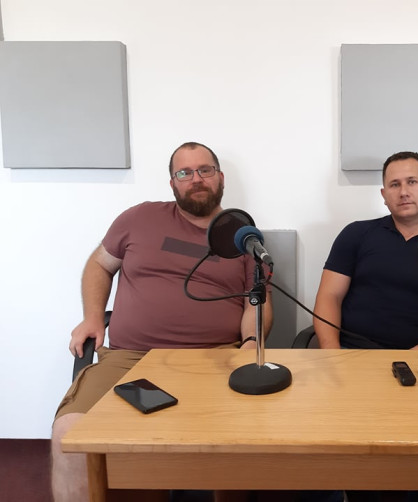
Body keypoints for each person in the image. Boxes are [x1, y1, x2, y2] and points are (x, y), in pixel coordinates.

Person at [50, 142, 272, 502]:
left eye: (205, 170)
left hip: (215, 359)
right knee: (69, 431)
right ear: (172, 183)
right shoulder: (138, 218)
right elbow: (99, 264)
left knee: (235, 434)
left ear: (220, 178)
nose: (196, 179)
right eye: (184, 172)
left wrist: (250, 342)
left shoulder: (242, 236)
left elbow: (258, 302)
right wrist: (92, 316)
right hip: (130, 358)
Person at [314, 151, 418, 351]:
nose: (403, 192)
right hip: (351, 354)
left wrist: (409, 360)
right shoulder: (355, 235)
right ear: (384, 195)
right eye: (394, 185)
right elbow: (329, 297)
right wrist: (331, 354)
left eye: (412, 182)